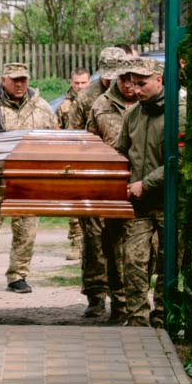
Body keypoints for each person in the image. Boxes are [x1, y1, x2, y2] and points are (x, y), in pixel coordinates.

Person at [0, 62, 57, 294]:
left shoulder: (42, 108)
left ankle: (18, 275)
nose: (20, 84)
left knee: (26, 230)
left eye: (24, 79)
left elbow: (53, 143)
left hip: (27, 181)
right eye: (15, 80)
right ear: (3, 79)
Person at [84, 53, 140, 321]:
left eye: (135, 79)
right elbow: (88, 145)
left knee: (139, 251)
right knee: (111, 247)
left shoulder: (147, 103)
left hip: (142, 186)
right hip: (108, 188)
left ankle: (137, 305)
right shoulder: (100, 105)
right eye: (125, 79)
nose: (130, 84)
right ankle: (118, 304)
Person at [113, 56, 167, 328]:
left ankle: (163, 319)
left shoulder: (177, 111)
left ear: (159, 80)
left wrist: (146, 183)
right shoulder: (133, 114)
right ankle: (137, 321)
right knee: (133, 260)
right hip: (139, 204)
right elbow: (121, 151)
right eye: (133, 84)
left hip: (169, 203)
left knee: (169, 265)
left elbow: (179, 160)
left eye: (142, 83)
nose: (136, 89)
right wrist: (119, 180)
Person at [55, 67, 91, 259]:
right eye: (76, 83)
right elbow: (58, 131)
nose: (79, 86)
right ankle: (77, 242)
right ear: (71, 82)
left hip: (92, 155)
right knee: (73, 201)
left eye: (83, 82)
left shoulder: (97, 101)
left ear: (89, 82)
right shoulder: (64, 106)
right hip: (72, 156)